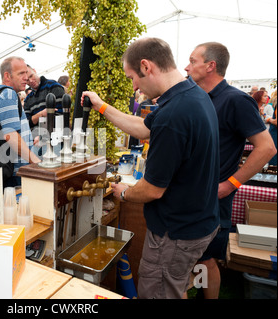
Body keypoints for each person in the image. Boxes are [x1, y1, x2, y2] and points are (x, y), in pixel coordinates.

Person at [82, 38, 220, 299]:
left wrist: (123, 193)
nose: (134, 86)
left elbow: (152, 190)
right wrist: (101, 106)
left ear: (146, 66)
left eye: (132, 77)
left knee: (158, 292)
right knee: (174, 287)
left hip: (176, 232)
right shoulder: (190, 94)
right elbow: (144, 127)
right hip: (198, 221)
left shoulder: (174, 114)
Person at [185, 42, 277, 299]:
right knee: (198, 258)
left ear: (210, 66)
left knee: (206, 259)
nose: (186, 66)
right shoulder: (198, 97)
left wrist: (230, 185)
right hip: (194, 195)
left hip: (214, 198)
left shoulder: (236, 100)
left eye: (193, 61)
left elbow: (267, 148)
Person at [0, 56, 40, 187]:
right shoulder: (8, 95)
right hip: (16, 171)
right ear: (7, 76)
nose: (26, 77)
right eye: (21, 73)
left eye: (26, 73)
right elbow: (11, 135)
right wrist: (36, 162)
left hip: (7, 168)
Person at [24, 65, 65, 130]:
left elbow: (61, 116)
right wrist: (41, 114)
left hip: (57, 136)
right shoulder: (27, 100)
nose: (31, 81)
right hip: (36, 138)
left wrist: (35, 118)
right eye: (27, 80)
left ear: (34, 71)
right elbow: (26, 124)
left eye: (31, 76)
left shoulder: (54, 87)